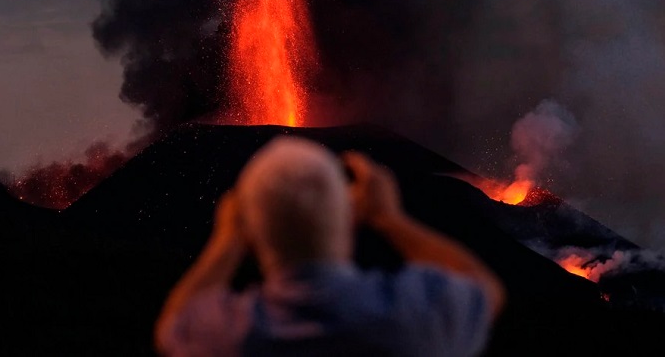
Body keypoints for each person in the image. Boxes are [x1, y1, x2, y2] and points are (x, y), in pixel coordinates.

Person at [155, 137, 506, 357]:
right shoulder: (410, 321)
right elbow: (481, 289)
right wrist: (389, 218)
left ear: (252, 230)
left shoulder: (226, 336)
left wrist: (227, 239)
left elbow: (174, 324)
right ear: (349, 215)